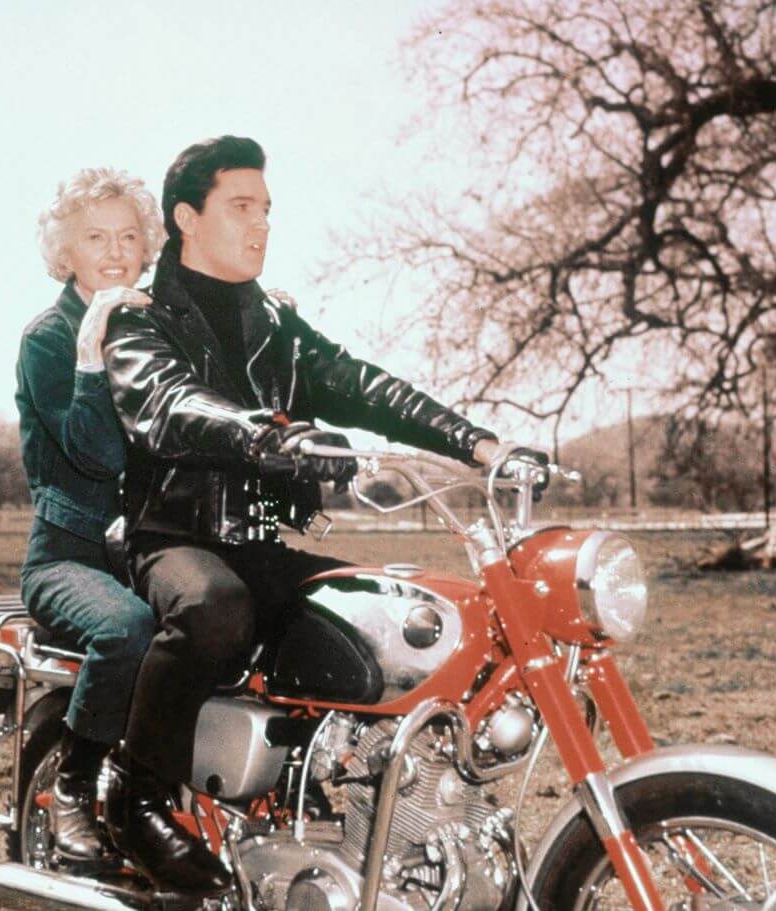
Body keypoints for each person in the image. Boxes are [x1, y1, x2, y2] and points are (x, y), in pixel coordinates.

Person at [101, 135, 501, 894]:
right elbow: (168, 403)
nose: (260, 225)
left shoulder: (276, 325)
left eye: (267, 210)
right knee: (215, 606)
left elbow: (364, 384)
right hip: (171, 539)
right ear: (187, 215)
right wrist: (265, 432)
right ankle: (138, 796)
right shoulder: (140, 317)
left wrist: (473, 441)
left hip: (260, 543)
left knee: (388, 619)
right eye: (241, 207)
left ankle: (353, 812)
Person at [14, 167, 162, 860]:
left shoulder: (154, 326)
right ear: (63, 253)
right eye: (95, 237)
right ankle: (73, 785)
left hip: (145, 550)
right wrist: (90, 347)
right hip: (66, 557)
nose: (114, 250)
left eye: (128, 234)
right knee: (127, 626)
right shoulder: (49, 338)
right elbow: (97, 455)